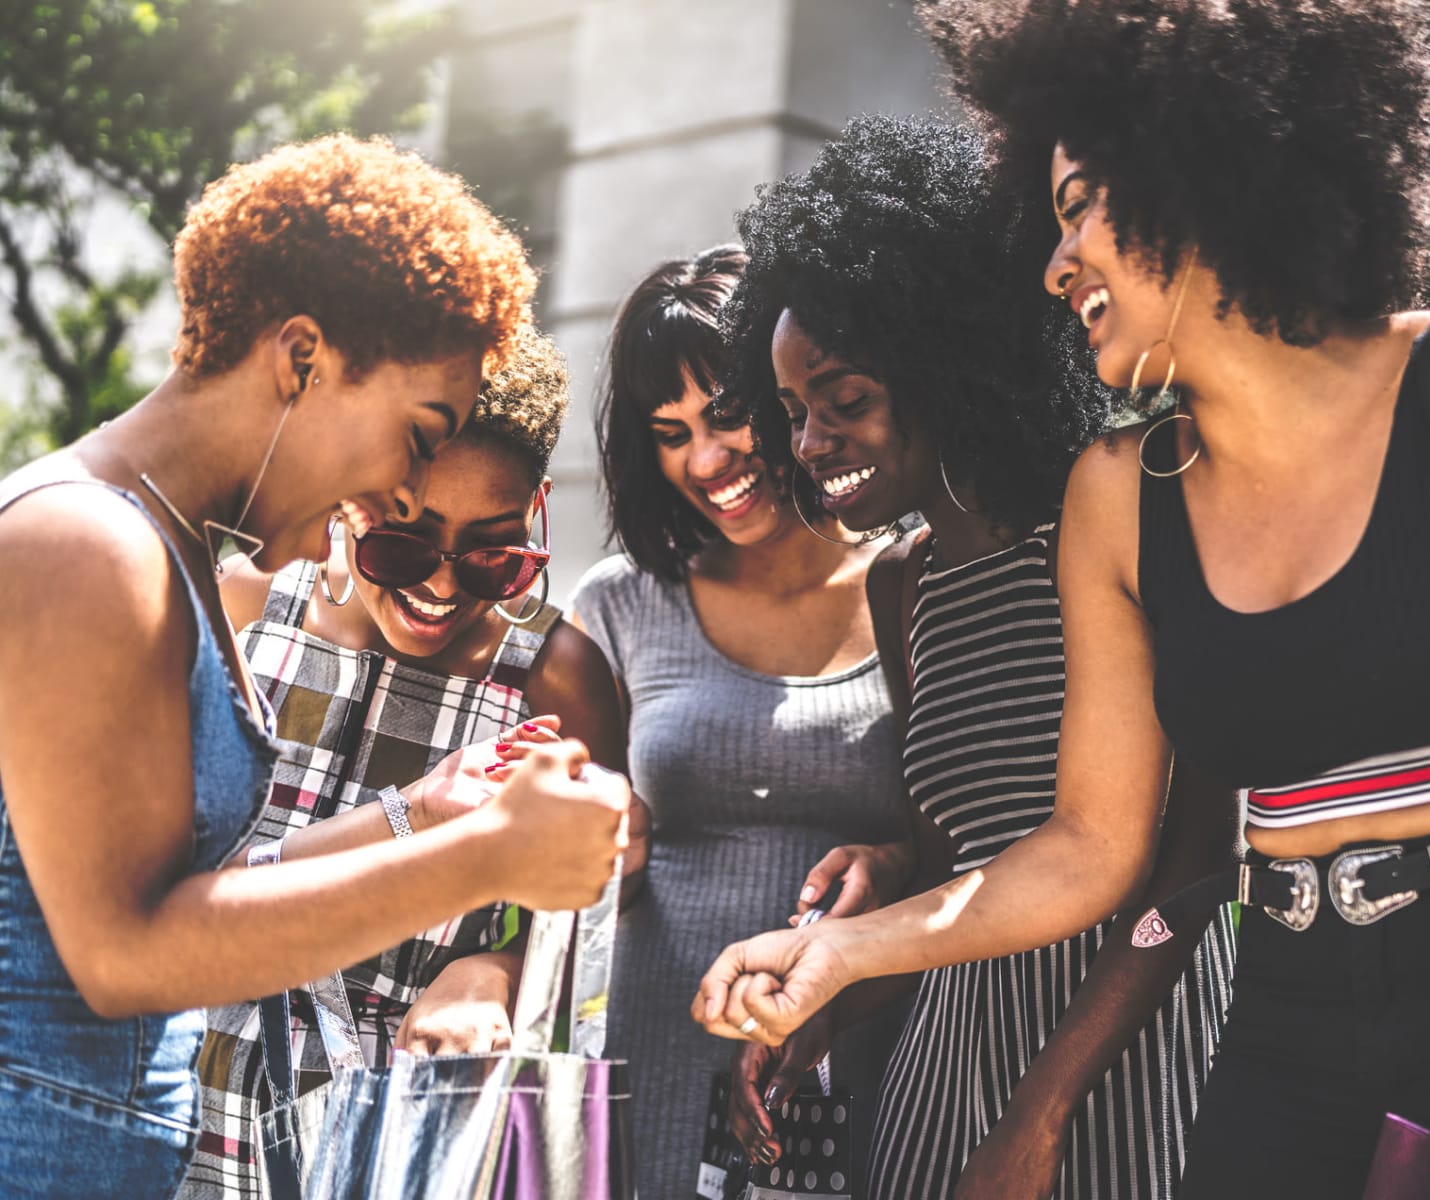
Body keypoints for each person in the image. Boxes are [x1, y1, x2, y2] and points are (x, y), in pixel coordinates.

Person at [694, 4, 1430, 1197]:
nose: (1056, 264)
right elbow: (1087, 849)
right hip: (1284, 1020)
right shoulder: (1117, 496)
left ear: (1194, 167)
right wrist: (843, 954)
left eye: (1077, 211)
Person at [0, 134, 629, 1199]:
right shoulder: (87, 545)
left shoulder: (165, 551)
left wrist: (420, 814)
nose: (396, 492)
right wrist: (480, 866)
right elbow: (122, 957)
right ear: (301, 358)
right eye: (418, 434)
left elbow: (189, 897)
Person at [716, 115, 1232, 1200]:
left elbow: (1192, 860)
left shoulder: (1120, 526)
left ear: (946, 366)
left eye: (843, 399)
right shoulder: (900, 587)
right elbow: (958, 865)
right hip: (949, 1067)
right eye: (793, 411)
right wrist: (815, 1004)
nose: (808, 443)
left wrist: (1040, 1117)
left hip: (1132, 1060)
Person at [180, 328, 639, 1198]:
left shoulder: (556, 677)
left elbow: (595, 916)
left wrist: (495, 971)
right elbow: (151, 876)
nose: (440, 587)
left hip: (401, 1138)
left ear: (536, 510)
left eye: (493, 553)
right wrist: (412, 815)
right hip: (186, 1102)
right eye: (404, 544)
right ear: (357, 497)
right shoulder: (244, 605)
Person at [566, 248, 912, 1199]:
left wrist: (895, 858)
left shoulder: (916, 576)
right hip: (654, 1041)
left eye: (726, 412)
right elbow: (570, 873)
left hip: (860, 1044)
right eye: (669, 432)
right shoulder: (620, 605)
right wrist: (609, 848)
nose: (707, 460)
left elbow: (970, 833)